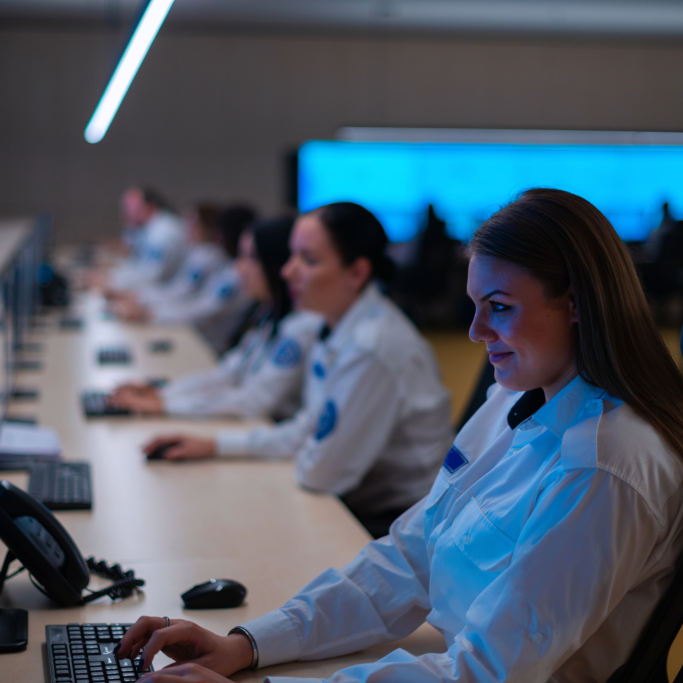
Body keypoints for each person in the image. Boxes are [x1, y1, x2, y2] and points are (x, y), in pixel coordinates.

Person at [115, 189, 683, 683]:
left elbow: (490, 673)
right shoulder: (517, 398)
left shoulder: (604, 465)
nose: (475, 332)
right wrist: (247, 644)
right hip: (444, 652)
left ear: (579, 304)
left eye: (500, 309)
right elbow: (412, 554)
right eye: (475, 306)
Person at [141, 202, 453, 537]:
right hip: (352, 500)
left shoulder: (371, 348)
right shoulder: (331, 325)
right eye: (292, 256)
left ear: (358, 273)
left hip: (402, 525)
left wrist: (254, 452)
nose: (288, 271)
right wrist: (216, 446)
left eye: (309, 259)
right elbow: (308, 429)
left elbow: (321, 472)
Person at [110, 216, 322, 422]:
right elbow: (229, 373)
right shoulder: (270, 313)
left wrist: (166, 405)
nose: (240, 268)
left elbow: (254, 401)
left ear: (274, 262)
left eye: (251, 259)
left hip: (266, 432)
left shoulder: (301, 328)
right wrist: (163, 393)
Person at [110, 204, 251, 323]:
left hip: (202, 336)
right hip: (184, 322)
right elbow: (182, 292)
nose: (186, 229)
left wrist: (149, 312)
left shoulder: (220, 264)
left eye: (193, 224)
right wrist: (142, 300)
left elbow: (201, 307)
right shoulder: (204, 255)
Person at [106, 186, 186, 292]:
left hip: (165, 295)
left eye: (132, 208)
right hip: (158, 292)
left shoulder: (164, 232)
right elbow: (138, 264)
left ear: (150, 206)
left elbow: (152, 276)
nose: (126, 214)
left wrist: (112, 281)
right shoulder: (146, 228)